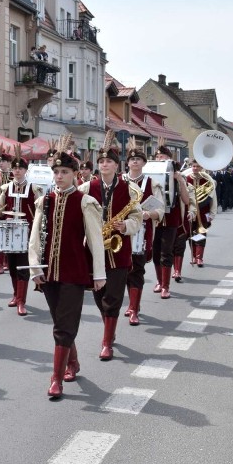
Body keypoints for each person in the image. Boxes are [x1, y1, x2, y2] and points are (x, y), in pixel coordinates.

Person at [28, 148, 105, 398]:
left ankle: (56, 380)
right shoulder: (44, 200)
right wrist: (34, 269)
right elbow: (34, 241)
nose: (59, 176)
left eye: (65, 172)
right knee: (60, 321)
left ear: (74, 174)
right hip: (49, 273)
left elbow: (95, 240)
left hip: (74, 271)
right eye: (57, 172)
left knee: (63, 326)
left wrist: (99, 273)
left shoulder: (85, 202)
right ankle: (72, 362)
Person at [81, 140, 142, 360]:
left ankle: (106, 343)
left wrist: (125, 226)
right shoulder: (87, 188)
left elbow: (136, 217)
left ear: (117, 166)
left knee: (113, 297)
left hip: (118, 250)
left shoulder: (130, 189)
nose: (105, 165)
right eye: (102, 161)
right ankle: (110, 326)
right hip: (93, 251)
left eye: (109, 161)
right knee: (99, 296)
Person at [0, 153, 43, 316]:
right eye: (15, 168)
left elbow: (41, 210)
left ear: (26, 170)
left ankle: (21, 301)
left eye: (20, 168)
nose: (17, 171)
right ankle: (16, 295)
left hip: (27, 234)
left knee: (23, 267)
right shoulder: (6, 188)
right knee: (13, 267)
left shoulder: (34, 188)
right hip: (9, 234)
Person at [122, 143, 164, 326]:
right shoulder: (120, 181)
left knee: (137, 270)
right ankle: (131, 303)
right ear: (127, 163)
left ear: (144, 163)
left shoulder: (152, 183)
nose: (135, 162)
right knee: (123, 269)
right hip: (121, 230)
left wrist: (149, 214)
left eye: (138, 159)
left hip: (142, 233)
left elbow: (160, 209)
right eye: (132, 159)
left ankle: (134, 308)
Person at [151, 143, 196, 299]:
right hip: (155, 218)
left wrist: (180, 181)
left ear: (169, 159)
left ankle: (165, 286)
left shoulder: (179, 176)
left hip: (171, 218)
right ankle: (159, 281)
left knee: (166, 251)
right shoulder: (150, 174)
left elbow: (185, 199)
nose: (159, 159)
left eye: (162, 156)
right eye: (157, 157)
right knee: (155, 251)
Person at [187, 158, 218, 267]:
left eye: (198, 166)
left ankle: (199, 257)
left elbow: (213, 198)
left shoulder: (208, 180)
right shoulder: (186, 179)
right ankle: (194, 255)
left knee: (201, 233)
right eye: (194, 166)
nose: (195, 168)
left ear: (202, 168)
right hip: (190, 212)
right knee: (191, 234)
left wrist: (212, 213)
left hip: (204, 212)